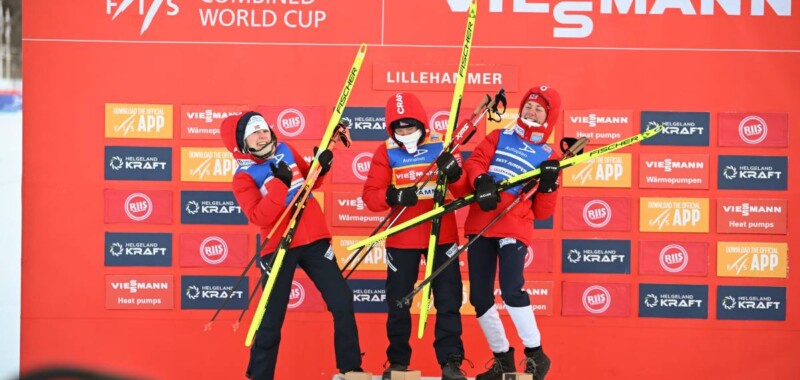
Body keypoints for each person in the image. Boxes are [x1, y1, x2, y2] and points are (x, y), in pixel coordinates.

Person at [220, 111, 364, 380]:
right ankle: (260, 375)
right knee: (272, 316)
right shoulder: (243, 177)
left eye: (264, 129)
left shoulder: (285, 149)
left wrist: (322, 164)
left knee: (342, 300)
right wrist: (279, 183)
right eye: (255, 132)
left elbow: (310, 183)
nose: (263, 135)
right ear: (241, 143)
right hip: (279, 246)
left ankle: (351, 369)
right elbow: (259, 216)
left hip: (314, 239)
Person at [361, 93, 470, 380]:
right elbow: (370, 197)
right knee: (399, 302)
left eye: (411, 127)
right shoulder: (385, 151)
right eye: (399, 129)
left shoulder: (442, 144)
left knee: (448, 299)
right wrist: (393, 194)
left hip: (441, 233)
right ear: (391, 130)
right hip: (402, 236)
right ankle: (398, 363)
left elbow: (464, 191)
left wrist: (455, 172)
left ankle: (450, 362)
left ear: (422, 123)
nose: (406, 134)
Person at [463, 85, 561, 380]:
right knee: (480, 297)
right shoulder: (500, 135)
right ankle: (503, 359)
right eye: (529, 106)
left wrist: (548, 185)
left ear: (549, 116)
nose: (531, 112)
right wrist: (481, 181)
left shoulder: (550, 156)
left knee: (510, 288)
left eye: (539, 109)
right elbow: (476, 161)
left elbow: (543, 211)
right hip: (481, 222)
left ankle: (536, 355)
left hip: (513, 225)